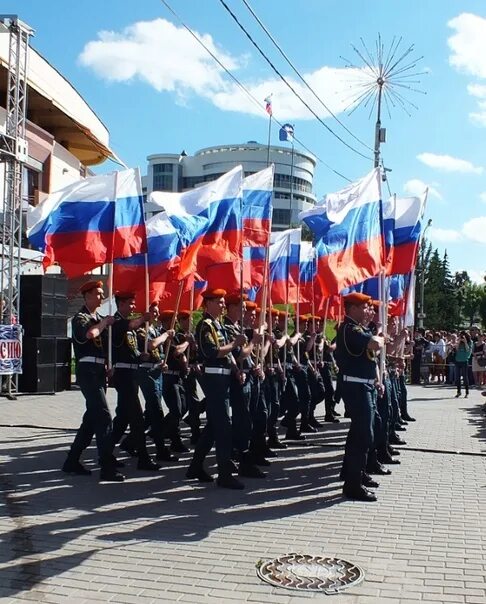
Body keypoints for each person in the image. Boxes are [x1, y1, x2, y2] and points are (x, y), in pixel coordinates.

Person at [62, 280, 124, 482]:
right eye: (97, 293)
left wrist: (108, 364)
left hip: (98, 369)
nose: (101, 296)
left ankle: (72, 460)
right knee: (104, 416)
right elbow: (89, 335)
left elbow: (104, 345)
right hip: (87, 370)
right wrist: (104, 323)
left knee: (91, 418)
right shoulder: (81, 318)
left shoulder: (96, 318)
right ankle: (106, 465)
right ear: (87, 296)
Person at [186, 288, 248, 489]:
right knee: (223, 427)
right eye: (219, 302)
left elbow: (227, 355)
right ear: (208, 303)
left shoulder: (217, 325)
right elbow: (212, 352)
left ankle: (195, 466)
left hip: (223, 378)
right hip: (213, 379)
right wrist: (234, 343)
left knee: (213, 427)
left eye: (223, 301)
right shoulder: (205, 325)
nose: (223, 305)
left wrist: (235, 369)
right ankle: (224, 474)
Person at [335, 292, 384, 502]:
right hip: (355, 388)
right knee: (363, 435)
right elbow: (375, 345)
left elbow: (371, 359)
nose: (368, 311)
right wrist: (381, 334)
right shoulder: (350, 329)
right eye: (364, 307)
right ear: (353, 308)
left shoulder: (359, 328)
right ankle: (352, 486)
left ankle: (354, 473)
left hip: (364, 386)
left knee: (360, 434)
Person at [111, 292, 160, 471]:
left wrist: (141, 356)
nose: (133, 307)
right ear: (120, 304)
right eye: (130, 304)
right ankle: (143, 459)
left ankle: (106, 453)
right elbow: (130, 325)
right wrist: (143, 318)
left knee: (123, 419)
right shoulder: (116, 321)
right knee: (137, 419)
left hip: (131, 373)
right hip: (123, 374)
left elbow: (131, 350)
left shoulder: (129, 325)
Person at [454, 331, 473, 398]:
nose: (462, 337)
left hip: (464, 360)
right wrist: (459, 342)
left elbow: (468, 350)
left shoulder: (470, 342)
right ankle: (458, 392)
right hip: (457, 360)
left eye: (463, 336)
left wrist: (465, 342)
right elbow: (456, 349)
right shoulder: (459, 341)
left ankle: (467, 392)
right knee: (457, 377)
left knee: (465, 377)